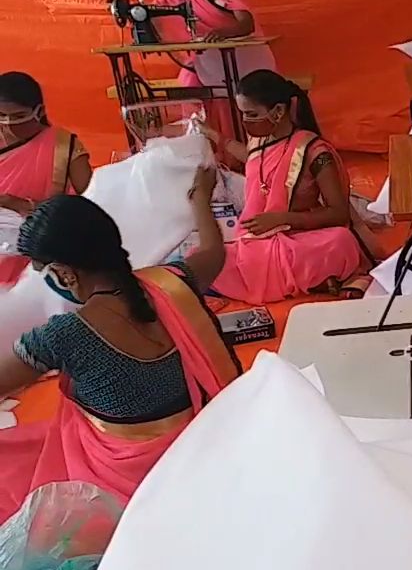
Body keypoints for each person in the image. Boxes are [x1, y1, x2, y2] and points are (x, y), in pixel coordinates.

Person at [0, 171, 239, 521]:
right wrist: (200, 197)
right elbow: (214, 253)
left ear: (65, 274)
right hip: (200, 454)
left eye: (42, 272)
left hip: (124, 494)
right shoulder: (172, 284)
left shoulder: (64, 336)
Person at [211, 70, 367, 304]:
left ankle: (289, 278)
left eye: (252, 114)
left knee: (340, 240)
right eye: (242, 114)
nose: (245, 122)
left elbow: (338, 213)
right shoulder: (259, 144)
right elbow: (248, 157)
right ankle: (314, 281)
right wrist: (212, 135)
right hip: (253, 241)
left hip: (299, 242)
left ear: (279, 111)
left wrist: (283, 219)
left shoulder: (315, 152)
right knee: (202, 257)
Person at [0, 72, 92, 285]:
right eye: (1, 116)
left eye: (17, 116)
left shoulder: (64, 147)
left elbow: (90, 209)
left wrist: (22, 205)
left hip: (40, 258)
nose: (7, 124)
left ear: (39, 111)